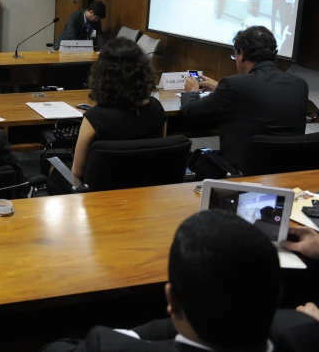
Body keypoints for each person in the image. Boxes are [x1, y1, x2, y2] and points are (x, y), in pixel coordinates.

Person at [41, 210, 316, 352]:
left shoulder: (107, 345)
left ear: (171, 300)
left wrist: (132, 335)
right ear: (278, 295)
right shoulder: (305, 333)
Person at [46, 37, 166, 194]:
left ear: (103, 74)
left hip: (98, 199)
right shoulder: (158, 110)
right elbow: (161, 155)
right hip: (146, 194)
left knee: (51, 167)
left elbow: (76, 173)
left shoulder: (95, 118)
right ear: (143, 72)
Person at [182, 26, 307, 174]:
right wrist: (219, 87)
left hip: (239, 172)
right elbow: (262, 95)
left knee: (183, 160)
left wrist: (193, 90)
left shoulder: (234, 85)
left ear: (241, 53)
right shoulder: (299, 84)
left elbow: (191, 111)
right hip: (286, 172)